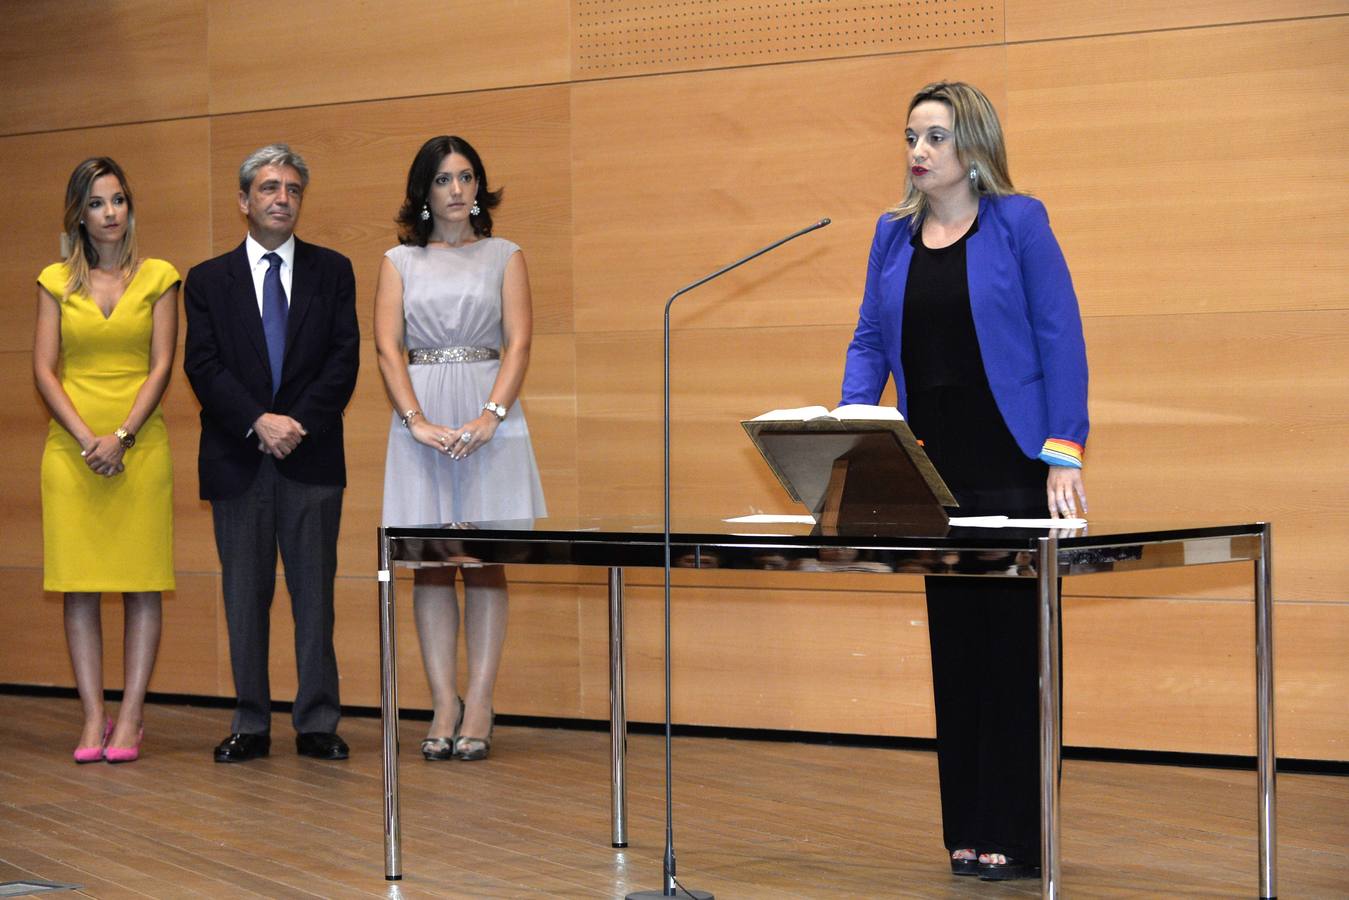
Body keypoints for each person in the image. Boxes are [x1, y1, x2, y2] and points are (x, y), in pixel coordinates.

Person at [841, 81, 1089, 881]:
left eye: (935, 137)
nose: (917, 151)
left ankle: (1017, 831)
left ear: (971, 146)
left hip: (1012, 458)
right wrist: (848, 426)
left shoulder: (1020, 222)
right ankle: (968, 826)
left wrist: (1063, 448)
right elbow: (870, 338)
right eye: (910, 136)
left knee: (1014, 652)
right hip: (933, 464)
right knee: (956, 650)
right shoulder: (890, 235)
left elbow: (1060, 334)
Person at [183, 144, 360, 764]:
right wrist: (258, 421)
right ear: (244, 201)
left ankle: (316, 720)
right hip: (238, 458)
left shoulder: (333, 271)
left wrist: (294, 425)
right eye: (268, 188)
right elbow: (202, 365)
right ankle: (250, 722)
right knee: (244, 596)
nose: (281, 198)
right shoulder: (207, 281)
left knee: (315, 595)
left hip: (310, 457)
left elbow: (343, 361)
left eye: (291, 189)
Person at [374, 135, 546, 762]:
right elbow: (389, 348)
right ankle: (442, 701)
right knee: (433, 561)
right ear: (424, 191)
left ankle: (480, 701)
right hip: (421, 422)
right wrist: (415, 420)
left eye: (467, 177)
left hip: (490, 419)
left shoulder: (506, 254)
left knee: (484, 559)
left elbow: (520, 343)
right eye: (444, 179)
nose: (457, 189)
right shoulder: (398, 261)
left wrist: (491, 415)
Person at [34, 157, 179, 764]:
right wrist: (87, 437)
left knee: (143, 585)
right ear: (80, 215)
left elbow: (163, 365)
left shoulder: (161, 276)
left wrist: (120, 435)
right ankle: (94, 714)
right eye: (96, 203)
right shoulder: (53, 281)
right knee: (80, 588)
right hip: (71, 452)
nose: (110, 212)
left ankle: (133, 715)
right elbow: (43, 369)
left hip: (139, 446)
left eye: (118, 199)